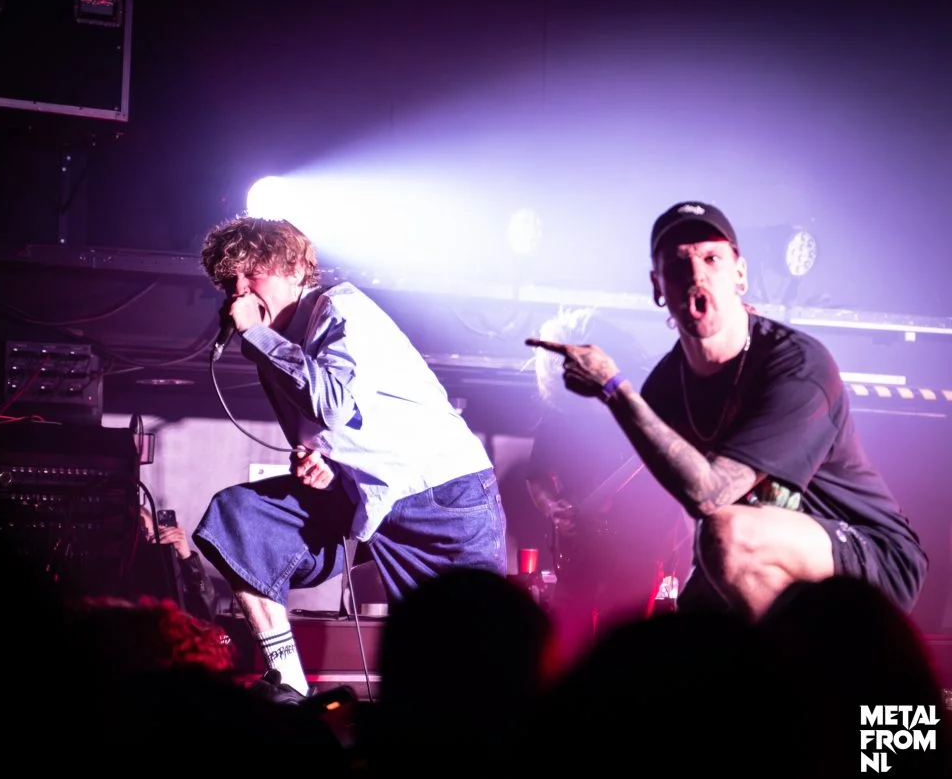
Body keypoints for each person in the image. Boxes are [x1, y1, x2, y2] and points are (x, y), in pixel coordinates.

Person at [526, 200, 928, 621]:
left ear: (740, 274)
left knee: (725, 535)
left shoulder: (795, 366)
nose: (696, 274)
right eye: (678, 263)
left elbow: (711, 496)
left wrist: (614, 388)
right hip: (756, 550)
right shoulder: (666, 388)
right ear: (657, 287)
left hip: (868, 556)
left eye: (712, 258)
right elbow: (684, 510)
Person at [192, 215, 507, 703]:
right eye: (228, 281)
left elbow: (334, 404)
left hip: (442, 499)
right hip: (372, 499)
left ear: (295, 268)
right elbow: (338, 430)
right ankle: (287, 678)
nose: (239, 292)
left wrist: (257, 336)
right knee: (236, 518)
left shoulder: (341, 311)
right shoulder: (277, 343)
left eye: (251, 273)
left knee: (467, 668)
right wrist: (323, 464)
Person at [525, 306, 686, 659]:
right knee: (564, 639)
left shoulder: (651, 399)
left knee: (624, 643)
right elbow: (536, 476)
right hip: (578, 548)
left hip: (640, 546)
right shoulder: (560, 415)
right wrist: (553, 508)